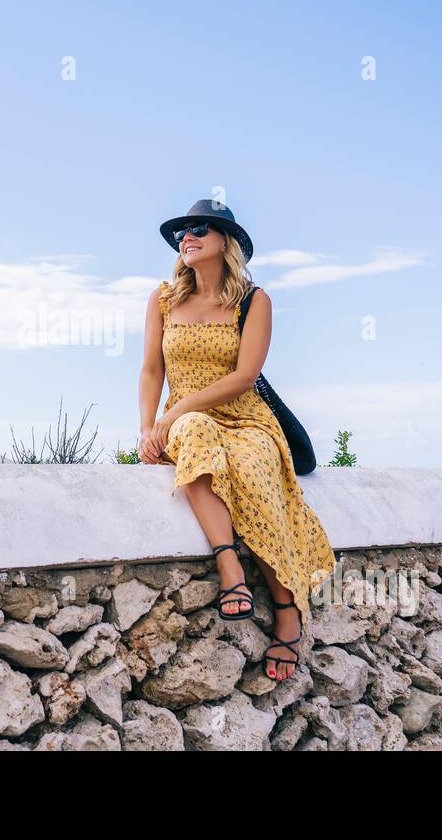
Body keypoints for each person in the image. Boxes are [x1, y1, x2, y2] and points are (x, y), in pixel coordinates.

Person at [138, 199, 338, 681]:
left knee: (252, 475)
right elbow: (150, 369)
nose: (188, 236)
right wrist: (148, 428)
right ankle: (230, 568)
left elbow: (246, 376)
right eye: (183, 231)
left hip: (246, 419)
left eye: (200, 229)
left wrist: (179, 408)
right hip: (187, 424)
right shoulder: (163, 299)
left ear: (226, 242)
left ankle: (286, 611)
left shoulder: (254, 300)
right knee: (194, 435)